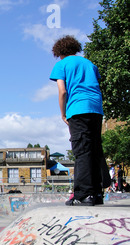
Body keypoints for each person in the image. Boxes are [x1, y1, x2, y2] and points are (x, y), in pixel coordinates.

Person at [50, 35, 106, 206]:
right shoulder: (90, 64)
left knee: (82, 151)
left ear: (59, 53)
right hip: (96, 109)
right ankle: (97, 194)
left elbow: (63, 92)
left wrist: (63, 114)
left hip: (77, 109)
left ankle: (83, 194)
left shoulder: (61, 64)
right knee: (94, 149)